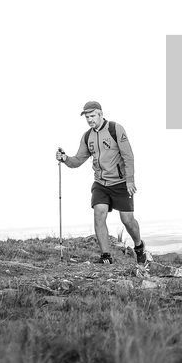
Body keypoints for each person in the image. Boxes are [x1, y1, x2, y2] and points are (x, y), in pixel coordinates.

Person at [57, 100, 148, 265]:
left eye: (92, 116)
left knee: (127, 220)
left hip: (120, 182)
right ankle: (106, 256)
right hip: (101, 183)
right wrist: (65, 159)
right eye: (87, 117)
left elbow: (128, 156)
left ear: (100, 114)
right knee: (99, 213)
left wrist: (130, 180)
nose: (90, 119)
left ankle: (139, 246)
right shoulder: (87, 137)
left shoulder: (115, 129)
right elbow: (78, 160)